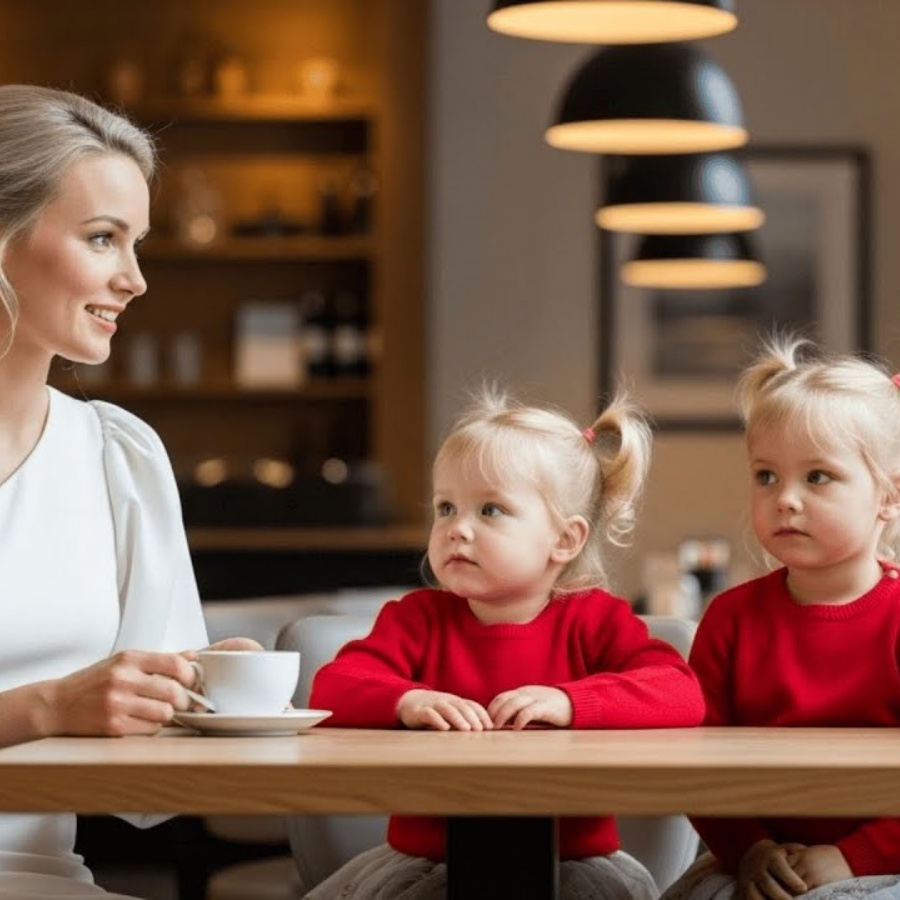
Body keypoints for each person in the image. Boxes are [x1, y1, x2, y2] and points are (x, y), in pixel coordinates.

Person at [0, 84, 259, 898]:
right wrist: (45, 708)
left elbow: (149, 796)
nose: (136, 280)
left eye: (136, 245)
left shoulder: (117, 457)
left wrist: (196, 693)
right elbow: (59, 706)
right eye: (103, 239)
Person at [302, 385, 707, 900]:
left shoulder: (593, 620)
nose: (457, 529)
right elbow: (331, 688)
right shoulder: (416, 619)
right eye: (446, 508)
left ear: (565, 539)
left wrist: (570, 701)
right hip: (425, 863)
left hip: (572, 863)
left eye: (489, 510)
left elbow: (681, 691)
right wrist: (408, 700)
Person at [661, 334, 900, 900]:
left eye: (817, 477)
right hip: (750, 858)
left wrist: (852, 858)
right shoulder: (730, 618)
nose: (785, 499)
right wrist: (750, 848)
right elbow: (699, 766)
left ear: (888, 496)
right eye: (766, 476)